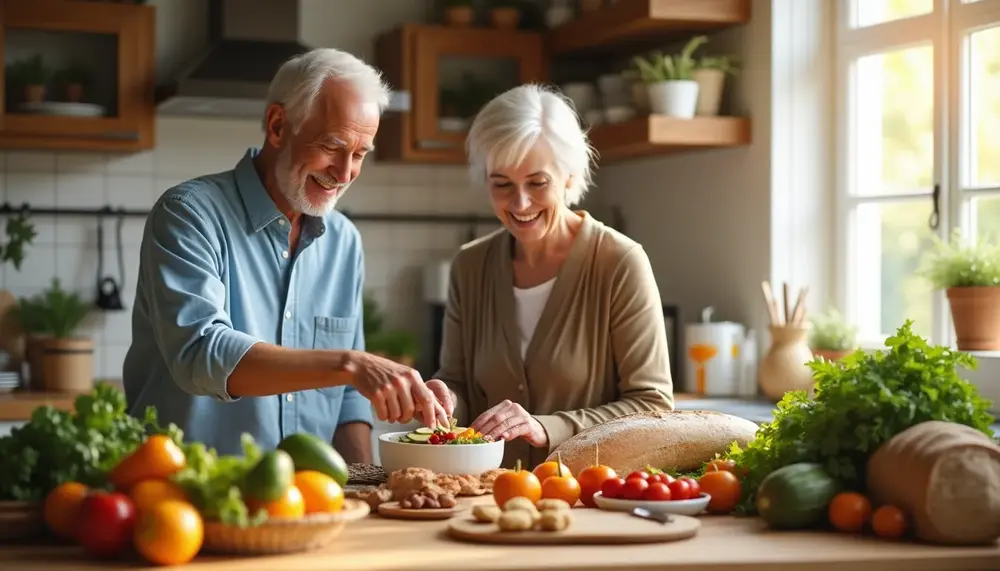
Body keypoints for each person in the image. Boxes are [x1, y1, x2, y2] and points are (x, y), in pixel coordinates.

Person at [123, 48, 448, 462]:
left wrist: (366, 487)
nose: (346, 172)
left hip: (306, 501)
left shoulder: (344, 240)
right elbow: (200, 354)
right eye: (332, 146)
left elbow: (347, 399)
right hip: (185, 499)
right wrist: (350, 363)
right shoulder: (188, 214)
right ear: (278, 126)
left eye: (361, 154)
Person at [423, 84, 675, 469]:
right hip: (487, 495)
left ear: (570, 176)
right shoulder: (469, 266)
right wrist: (445, 396)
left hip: (588, 495)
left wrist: (548, 427)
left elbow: (653, 406)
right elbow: (457, 381)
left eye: (538, 183)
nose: (520, 203)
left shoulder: (619, 262)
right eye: (502, 184)